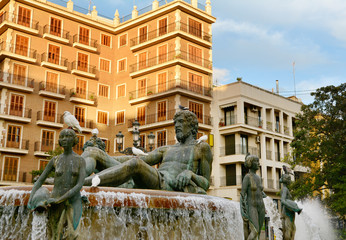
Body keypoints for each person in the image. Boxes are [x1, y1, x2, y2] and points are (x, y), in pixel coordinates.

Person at [84, 110, 213, 194]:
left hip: (165, 184)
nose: (176, 126)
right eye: (175, 123)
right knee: (94, 152)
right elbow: (141, 159)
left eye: (181, 122)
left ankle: (82, 184)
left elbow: (206, 183)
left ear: (191, 126)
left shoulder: (201, 148)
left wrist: (191, 174)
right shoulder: (167, 149)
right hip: (154, 177)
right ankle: (76, 177)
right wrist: (104, 156)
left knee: (136, 164)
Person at [28, 129, 86, 240]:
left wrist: (60, 199)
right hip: (55, 200)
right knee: (54, 235)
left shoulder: (80, 160)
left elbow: (79, 185)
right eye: (62, 137)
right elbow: (40, 180)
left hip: (73, 201)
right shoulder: (55, 160)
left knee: (73, 235)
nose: (64, 139)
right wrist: (31, 199)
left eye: (68, 136)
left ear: (74, 140)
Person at [240, 154, 266, 240]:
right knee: (255, 231)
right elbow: (242, 194)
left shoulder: (259, 178)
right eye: (256, 161)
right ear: (250, 163)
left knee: (258, 235)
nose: (258, 163)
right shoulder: (247, 177)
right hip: (252, 207)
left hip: (261, 207)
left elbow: (260, 192)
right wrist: (243, 211)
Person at [280, 172, 302, 240]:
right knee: (290, 229)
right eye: (289, 179)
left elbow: (282, 203)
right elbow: (282, 200)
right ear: (286, 180)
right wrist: (294, 208)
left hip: (286, 211)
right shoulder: (285, 189)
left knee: (289, 229)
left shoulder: (284, 189)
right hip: (288, 211)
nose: (290, 180)